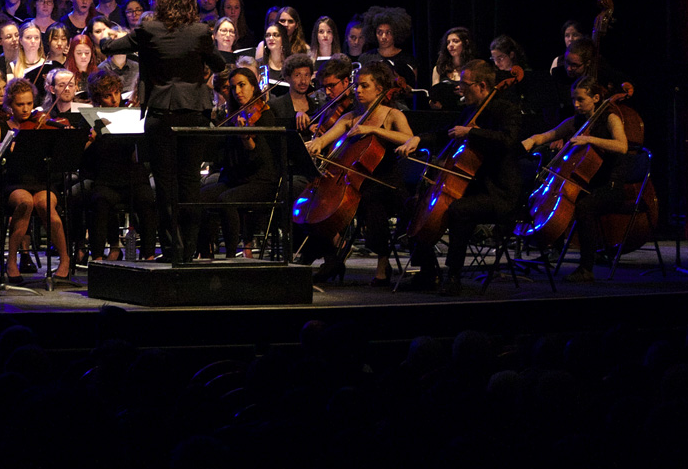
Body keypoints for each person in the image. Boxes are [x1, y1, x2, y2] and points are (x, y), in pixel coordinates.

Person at [97, 0, 223, 263]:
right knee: (190, 180)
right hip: (193, 112)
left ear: (161, 2)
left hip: (161, 113)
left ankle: (171, 248)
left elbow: (113, 46)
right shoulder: (201, 31)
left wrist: (104, 41)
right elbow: (219, 64)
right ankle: (189, 248)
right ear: (190, 3)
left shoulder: (148, 29)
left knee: (165, 183)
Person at [407, 59, 525, 294]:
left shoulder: (506, 110)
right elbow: (446, 134)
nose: (460, 88)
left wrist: (472, 132)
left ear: (482, 85)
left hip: (498, 192)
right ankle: (428, 271)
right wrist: (419, 139)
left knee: (460, 210)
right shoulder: (470, 111)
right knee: (414, 204)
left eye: (465, 83)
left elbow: (509, 141)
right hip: (470, 187)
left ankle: (453, 275)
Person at [303, 61, 414, 285]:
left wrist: (373, 129)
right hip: (357, 184)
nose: (358, 90)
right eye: (356, 86)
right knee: (319, 202)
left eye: (364, 86)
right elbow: (327, 138)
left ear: (380, 88)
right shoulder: (351, 117)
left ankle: (383, 261)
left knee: (372, 199)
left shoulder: (392, 115)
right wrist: (315, 144)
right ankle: (330, 257)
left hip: (387, 183)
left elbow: (410, 139)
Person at [522, 76, 634, 282]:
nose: (576, 104)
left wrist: (589, 139)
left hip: (610, 185)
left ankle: (586, 268)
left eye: (581, 99)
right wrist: (531, 140)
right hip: (588, 184)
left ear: (596, 98)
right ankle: (550, 248)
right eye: (574, 99)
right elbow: (549, 134)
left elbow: (622, 146)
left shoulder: (610, 118)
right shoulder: (576, 122)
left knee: (584, 207)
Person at [0, 75, 76, 280]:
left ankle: (65, 259)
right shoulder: (3, 126)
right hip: (14, 182)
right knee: (24, 202)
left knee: (45, 204)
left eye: (29, 103)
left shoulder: (41, 123)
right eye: (20, 104)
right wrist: (5, 145)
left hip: (41, 179)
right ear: (10, 104)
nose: (25, 109)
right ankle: (12, 261)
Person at [203, 67, 278, 259]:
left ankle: (230, 256)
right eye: (233, 87)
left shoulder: (265, 116)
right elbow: (223, 157)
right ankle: (205, 253)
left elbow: (261, 159)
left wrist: (247, 140)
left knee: (226, 200)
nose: (237, 91)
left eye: (242, 85)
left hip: (260, 181)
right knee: (200, 196)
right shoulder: (233, 117)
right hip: (235, 179)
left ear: (254, 86)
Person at [80, 70, 156, 260]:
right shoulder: (91, 119)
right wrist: (93, 138)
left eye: (116, 93)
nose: (114, 99)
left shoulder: (130, 114)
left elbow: (140, 153)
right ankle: (97, 257)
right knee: (100, 201)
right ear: (98, 99)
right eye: (107, 96)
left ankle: (149, 255)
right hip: (105, 178)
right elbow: (81, 156)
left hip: (132, 175)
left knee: (146, 199)